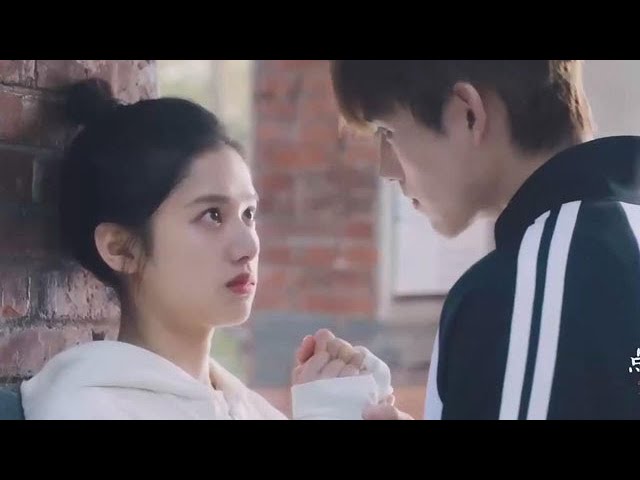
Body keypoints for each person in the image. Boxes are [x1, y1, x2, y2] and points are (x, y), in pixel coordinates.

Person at [20, 79, 394, 420]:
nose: (249, 246)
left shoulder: (252, 410)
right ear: (121, 249)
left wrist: (355, 403)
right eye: (212, 215)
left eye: (248, 214)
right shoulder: (84, 408)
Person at [331, 60, 640, 419]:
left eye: (388, 132)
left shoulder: (520, 295)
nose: (386, 169)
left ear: (468, 115)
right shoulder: (611, 239)